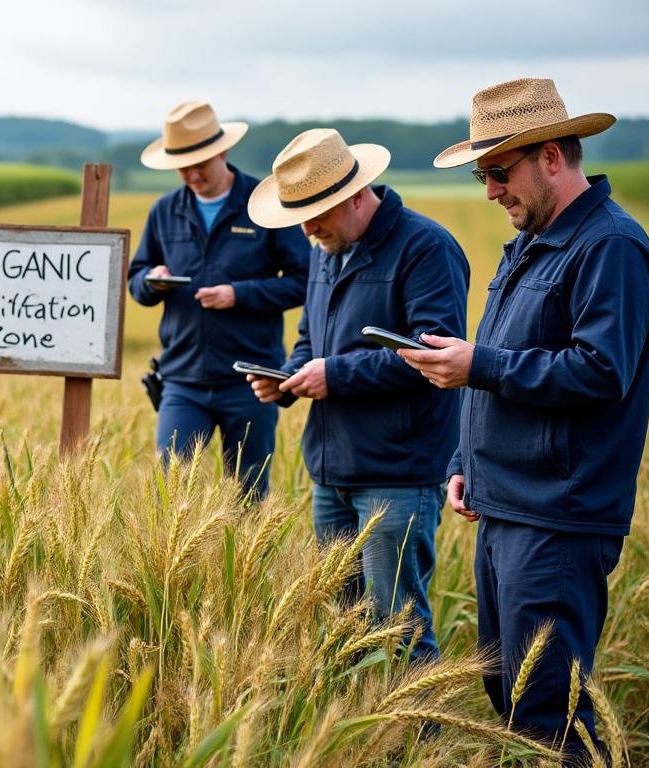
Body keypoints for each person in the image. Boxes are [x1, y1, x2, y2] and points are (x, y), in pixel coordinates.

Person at [399, 78, 649, 755]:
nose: (489, 190)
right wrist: (464, 463)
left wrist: (476, 366)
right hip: (507, 509)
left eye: (498, 172)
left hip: (559, 516)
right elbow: (495, 365)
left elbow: (601, 371)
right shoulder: (531, 242)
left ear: (551, 155)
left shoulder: (611, 248)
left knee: (551, 712)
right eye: (482, 174)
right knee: (512, 697)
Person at [244, 128, 469, 661]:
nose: (305, 227)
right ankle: (360, 741)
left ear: (353, 194)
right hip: (332, 471)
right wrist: (289, 379)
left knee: (398, 630)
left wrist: (334, 375)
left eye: (315, 212)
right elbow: (311, 338)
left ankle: (421, 745)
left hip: (397, 472)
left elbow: (431, 356)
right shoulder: (328, 245)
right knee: (340, 629)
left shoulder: (426, 247)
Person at [128, 101, 310, 501]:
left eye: (201, 164)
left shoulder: (264, 205)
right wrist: (150, 282)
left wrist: (239, 295)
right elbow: (135, 278)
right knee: (169, 497)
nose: (192, 175)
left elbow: (305, 281)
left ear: (223, 152)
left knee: (248, 499)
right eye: (183, 166)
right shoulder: (164, 211)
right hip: (181, 380)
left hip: (250, 378)